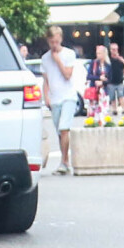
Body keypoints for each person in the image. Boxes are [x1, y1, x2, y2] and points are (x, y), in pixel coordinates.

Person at [39, 25, 80, 174]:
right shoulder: (44, 58)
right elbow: (46, 80)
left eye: (56, 42)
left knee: (64, 128)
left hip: (68, 96)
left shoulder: (68, 54)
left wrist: (57, 60)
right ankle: (64, 160)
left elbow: (67, 75)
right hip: (55, 98)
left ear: (61, 39)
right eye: (51, 42)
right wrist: (46, 96)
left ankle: (65, 162)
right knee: (59, 131)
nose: (54, 45)